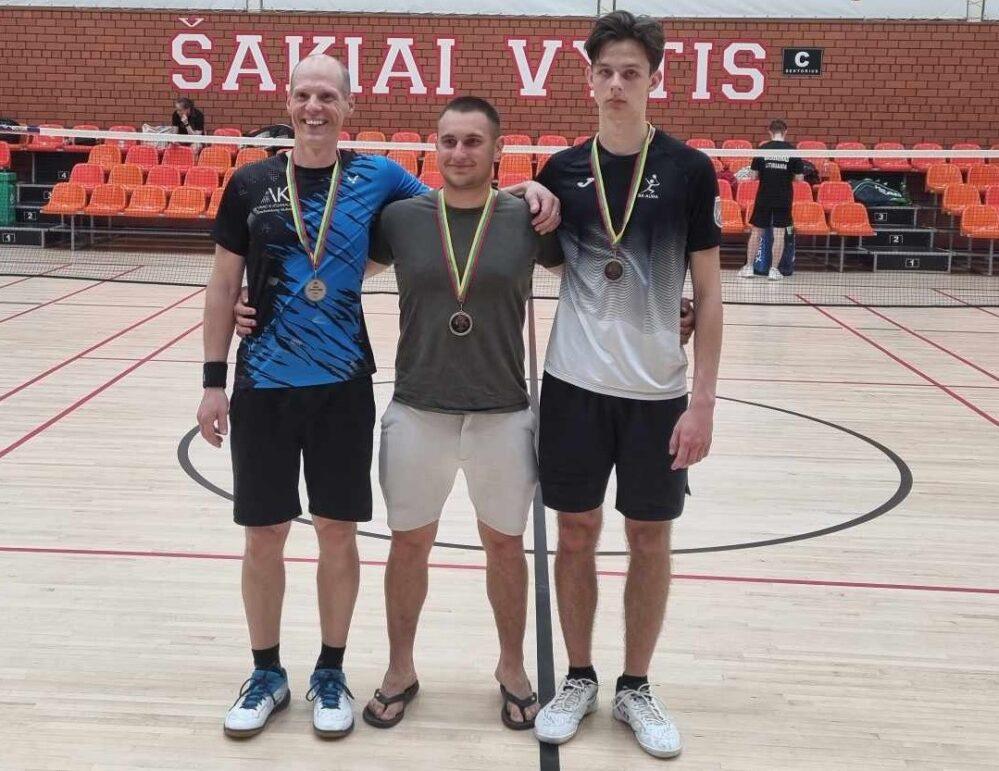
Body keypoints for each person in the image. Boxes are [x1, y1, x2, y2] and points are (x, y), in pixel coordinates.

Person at [200, 54, 558, 741]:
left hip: (345, 386)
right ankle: (270, 672)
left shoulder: (381, 178)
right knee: (267, 534)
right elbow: (224, 283)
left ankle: (333, 671)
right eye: (303, 94)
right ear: (288, 99)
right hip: (266, 383)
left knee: (342, 532)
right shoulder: (250, 183)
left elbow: (464, 201)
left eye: (327, 96)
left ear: (349, 106)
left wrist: (532, 189)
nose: (314, 107)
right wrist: (214, 376)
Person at [530, 11, 723, 760]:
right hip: (573, 386)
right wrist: (523, 196)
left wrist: (701, 401)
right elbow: (537, 251)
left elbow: (709, 294)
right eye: (605, 71)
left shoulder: (688, 169)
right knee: (574, 532)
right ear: (589, 80)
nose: (616, 84)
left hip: (657, 395)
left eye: (630, 73)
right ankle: (578, 677)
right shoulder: (560, 170)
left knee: (649, 536)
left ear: (653, 80)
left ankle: (635, 685)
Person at [358, 95, 563, 731]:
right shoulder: (401, 219)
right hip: (417, 410)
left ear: (499, 150)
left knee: (505, 546)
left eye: (474, 141)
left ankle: (512, 667)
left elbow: (594, 276)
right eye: (449, 140)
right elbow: (340, 274)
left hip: (503, 414)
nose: (459, 152)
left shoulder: (528, 218)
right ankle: (400, 669)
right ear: (435, 146)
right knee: (408, 544)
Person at [739, 119, 804, 281]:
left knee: (756, 231)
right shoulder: (792, 151)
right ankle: (774, 270)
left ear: (769, 131)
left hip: (764, 197)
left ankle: (749, 268)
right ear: (785, 131)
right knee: (779, 233)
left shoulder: (763, 149)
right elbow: (799, 179)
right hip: (783, 198)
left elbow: (753, 176)